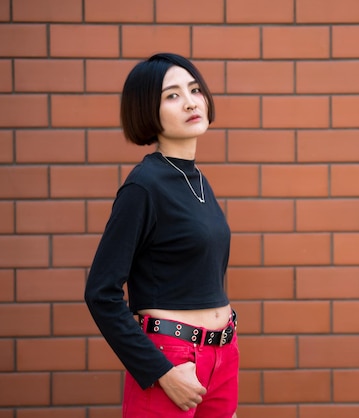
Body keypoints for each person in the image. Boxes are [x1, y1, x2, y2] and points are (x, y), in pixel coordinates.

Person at [84, 52, 238, 418]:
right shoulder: (144, 186)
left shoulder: (198, 182)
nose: (189, 101)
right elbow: (101, 292)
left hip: (223, 354)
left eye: (195, 89)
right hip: (173, 359)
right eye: (172, 95)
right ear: (147, 111)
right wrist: (161, 370)